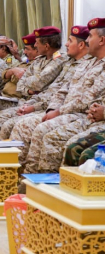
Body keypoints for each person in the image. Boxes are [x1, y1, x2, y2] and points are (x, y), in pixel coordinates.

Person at [10, 18, 105, 173]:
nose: (87, 41)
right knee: (28, 126)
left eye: (90, 36)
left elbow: (87, 99)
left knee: (49, 136)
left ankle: (45, 181)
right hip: (67, 111)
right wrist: (52, 109)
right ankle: (25, 177)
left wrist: (59, 111)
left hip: (83, 115)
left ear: (101, 40)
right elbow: (63, 89)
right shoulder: (87, 62)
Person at [0, 26, 92, 139]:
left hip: (65, 111)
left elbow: (38, 83)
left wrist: (35, 106)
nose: (66, 44)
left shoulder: (65, 60)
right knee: (2, 120)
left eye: (70, 41)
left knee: (20, 126)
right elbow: (54, 89)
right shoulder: (70, 63)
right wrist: (31, 101)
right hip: (44, 104)